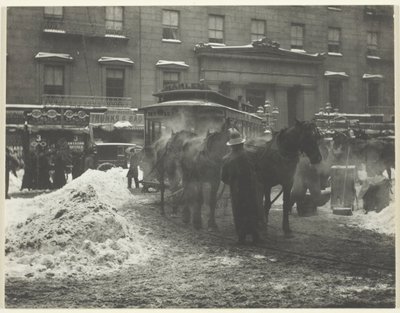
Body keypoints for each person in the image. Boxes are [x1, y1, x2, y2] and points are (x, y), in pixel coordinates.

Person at [221, 129, 261, 245]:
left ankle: (241, 237)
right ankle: (255, 236)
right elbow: (258, 169)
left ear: (231, 146)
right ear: (242, 144)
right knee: (253, 210)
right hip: (251, 187)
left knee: (239, 211)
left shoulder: (226, 159)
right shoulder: (251, 154)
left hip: (237, 190)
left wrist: (233, 183)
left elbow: (223, 177)